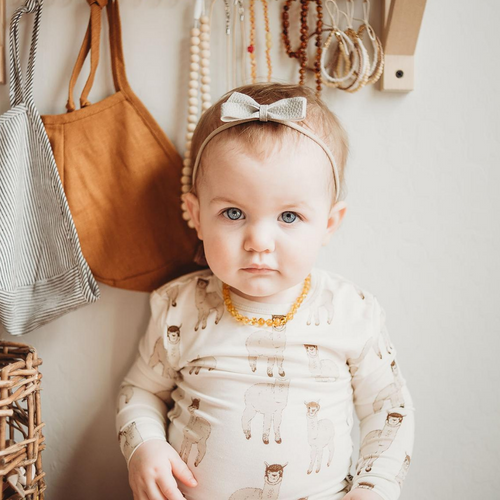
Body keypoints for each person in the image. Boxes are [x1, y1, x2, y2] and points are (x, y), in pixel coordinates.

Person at [116, 83, 415, 500]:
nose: (259, 240)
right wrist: (144, 447)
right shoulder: (179, 306)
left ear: (329, 224)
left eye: (289, 216)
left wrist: (374, 490)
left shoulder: (352, 311)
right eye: (233, 213)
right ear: (196, 215)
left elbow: (390, 410)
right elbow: (141, 391)